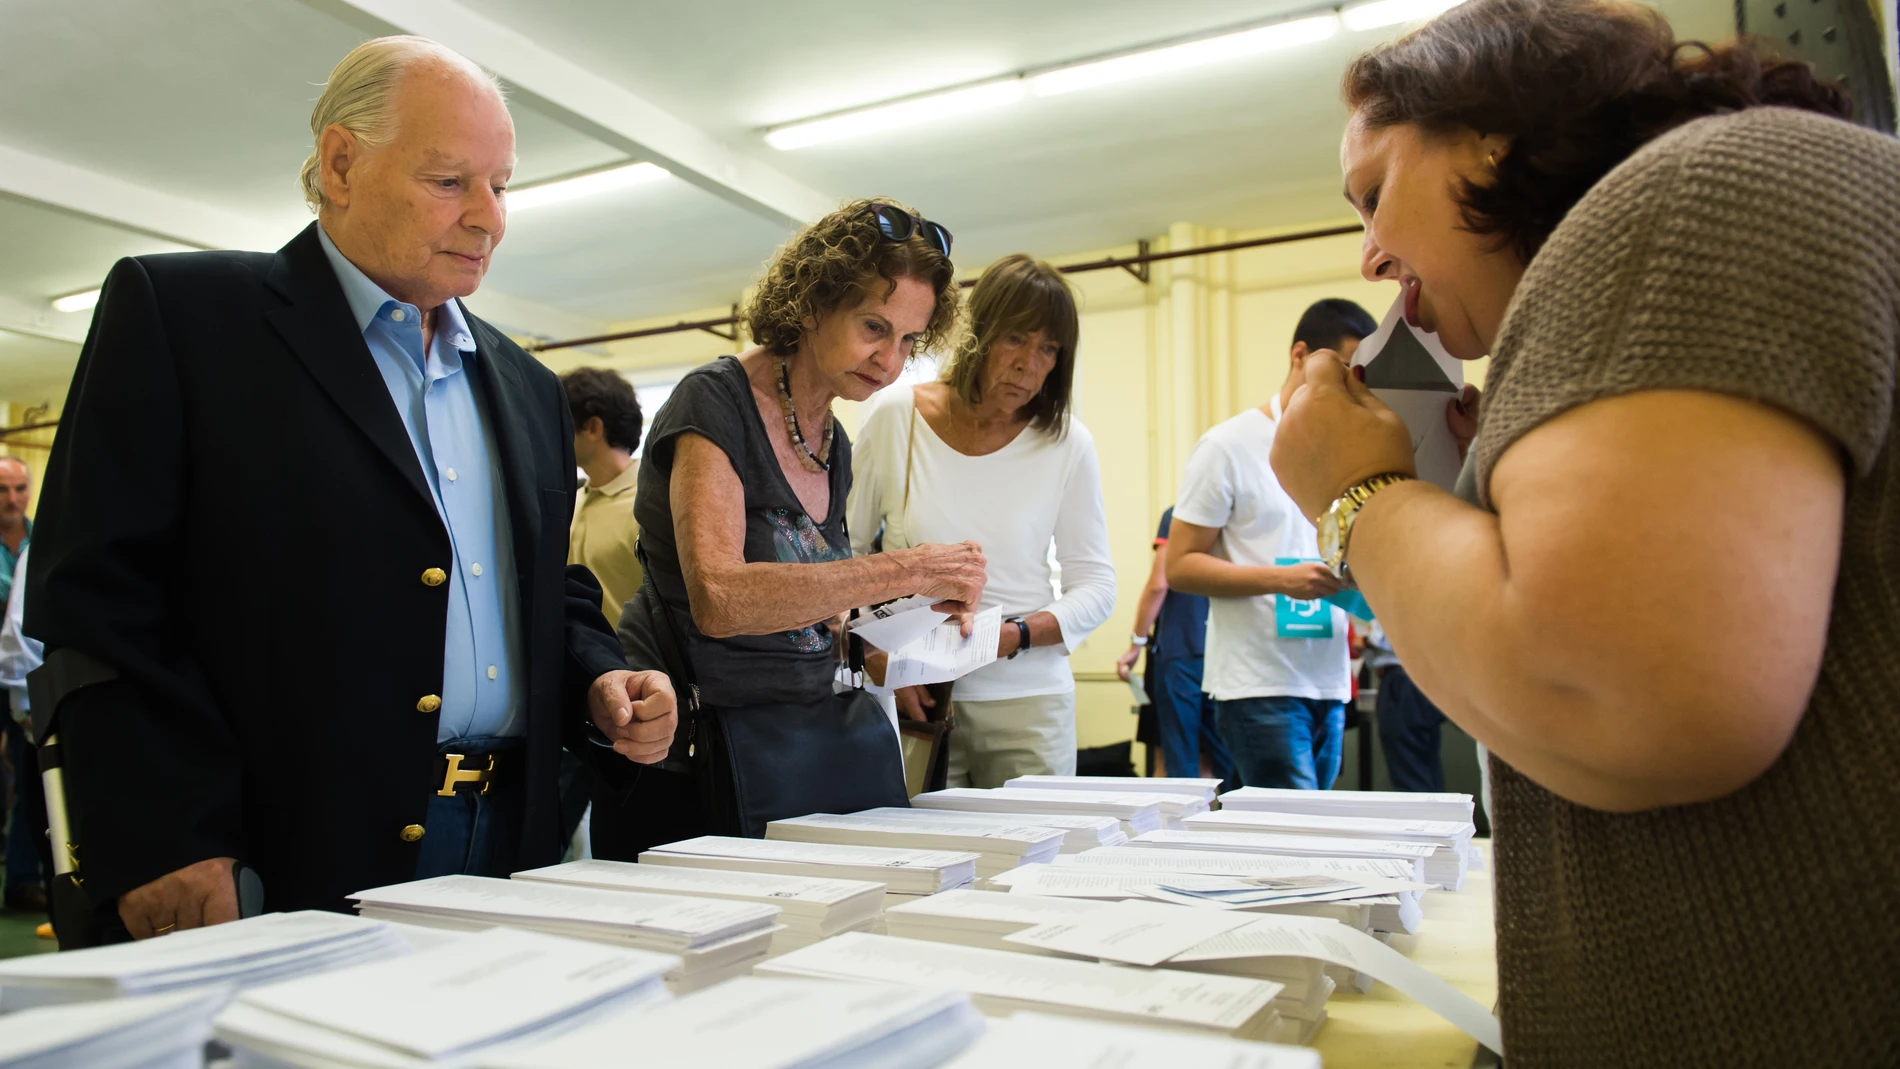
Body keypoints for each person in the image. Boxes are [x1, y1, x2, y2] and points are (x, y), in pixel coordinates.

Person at [1267, 1, 1900, 1062]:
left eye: (1375, 194)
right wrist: (1469, 504)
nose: (1371, 258)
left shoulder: (1684, 190)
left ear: (1489, 129)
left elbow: (1615, 692)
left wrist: (1355, 497)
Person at [24, 36, 675, 940]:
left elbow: (538, 593)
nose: (489, 219)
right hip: (275, 848)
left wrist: (605, 679)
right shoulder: (187, 321)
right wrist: (160, 831)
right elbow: (95, 604)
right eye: (451, 182)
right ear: (340, 163)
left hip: (509, 845)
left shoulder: (525, 387)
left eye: (502, 185)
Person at [597, 198, 982, 856]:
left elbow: (812, 602)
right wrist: (911, 567)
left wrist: (876, 649)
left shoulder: (833, 440)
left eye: (910, 340)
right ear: (810, 303)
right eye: (873, 326)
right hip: (695, 758)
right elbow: (720, 599)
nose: (891, 359)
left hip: (797, 746)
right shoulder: (714, 401)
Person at [850, 254, 1116, 787]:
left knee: (1035, 864)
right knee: (920, 861)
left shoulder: (1066, 442)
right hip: (917, 697)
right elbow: (841, 556)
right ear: (979, 333)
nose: (1030, 365)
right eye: (1017, 339)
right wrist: (877, 657)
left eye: (1049, 349)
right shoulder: (895, 417)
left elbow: (1097, 587)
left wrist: (1011, 636)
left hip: (1029, 702)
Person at [1166, 298, 1377, 790]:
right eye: (1343, 369)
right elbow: (1179, 566)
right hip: (1258, 684)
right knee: (1293, 838)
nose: (1352, 385)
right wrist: (1283, 580)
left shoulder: (1348, 449)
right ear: (1300, 356)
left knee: (1313, 837)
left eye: (1361, 374)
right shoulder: (1228, 446)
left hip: (1326, 679)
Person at [1116, 506, 1235, 788]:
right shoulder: (1235, 518)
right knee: (1227, 755)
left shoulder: (1179, 515)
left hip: (1181, 649)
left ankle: (1183, 830)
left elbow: (1159, 584)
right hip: (1225, 648)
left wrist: (1136, 643)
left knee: (1180, 758)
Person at [562, 368, 646, 619]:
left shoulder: (649, 505)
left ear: (592, 427)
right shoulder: (572, 502)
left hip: (634, 658)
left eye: (559, 423)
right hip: (582, 655)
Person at [0, 458, 43, 913]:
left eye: (19, 488)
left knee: (26, 773)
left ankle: (23, 879)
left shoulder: (38, 538)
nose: (12, 499)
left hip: (21, 676)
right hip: (15, 671)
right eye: (2, 490)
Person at [1364, 622, 1446, 793]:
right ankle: (1430, 814)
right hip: (1419, 679)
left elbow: (1380, 636)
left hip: (1403, 680)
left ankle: (1424, 817)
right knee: (1420, 760)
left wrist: (1364, 641)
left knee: (1409, 762)